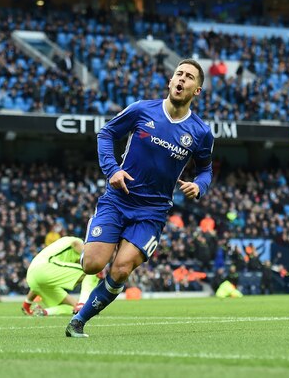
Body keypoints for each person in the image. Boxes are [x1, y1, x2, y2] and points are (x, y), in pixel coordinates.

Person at [66, 58, 214, 337]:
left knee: (121, 269)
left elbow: (205, 169)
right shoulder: (142, 110)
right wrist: (112, 170)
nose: (181, 79)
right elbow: (106, 133)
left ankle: (78, 322)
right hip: (118, 199)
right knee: (92, 265)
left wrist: (199, 186)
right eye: (178, 74)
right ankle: (94, 232)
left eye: (189, 77)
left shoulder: (201, 132)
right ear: (170, 81)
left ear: (197, 90)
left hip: (152, 211)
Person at [22, 236, 99, 316]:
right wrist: (93, 262)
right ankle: (83, 304)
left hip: (32, 275)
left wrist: (27, 303)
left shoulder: (60, 247)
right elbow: (75, 243)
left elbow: (37, 281)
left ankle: (45, 312)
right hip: (46, 267)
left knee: (75, 307)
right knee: (91, 271)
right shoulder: (79, 243)